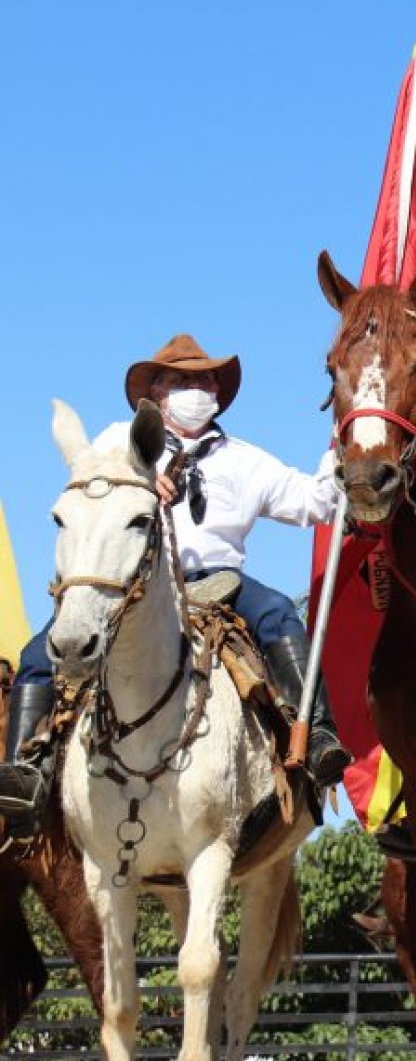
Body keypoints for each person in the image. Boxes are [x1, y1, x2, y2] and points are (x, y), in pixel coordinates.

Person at [0, 334, 349, 838]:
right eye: (183, 379)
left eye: (206, 379)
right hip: (133, 586)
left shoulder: (244, 459)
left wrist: (343, 446)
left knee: (278, 613)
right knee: (42, 651)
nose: (198, 387)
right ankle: (26, 777)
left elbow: (315, 503)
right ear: (156, 393)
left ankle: (315, 738)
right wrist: (141, 479)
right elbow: (89, 486)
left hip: (219, 581)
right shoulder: (119, 439)